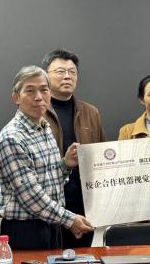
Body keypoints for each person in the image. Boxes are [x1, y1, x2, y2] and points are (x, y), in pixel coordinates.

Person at [0, 65, 94, 250]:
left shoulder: (44, 128)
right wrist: (69, 220)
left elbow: (47, 179)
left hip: (50, 224)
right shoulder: (12, 137)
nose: (39, 97)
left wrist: (65, 165)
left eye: (44, 90)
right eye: (30, 91)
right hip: (25, 229)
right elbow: (30, 195)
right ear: (16, 97)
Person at [41, 48, 105, 248]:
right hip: (49, 207)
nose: (67, 76)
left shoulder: (91, 113)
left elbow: (102, 159)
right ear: (45, 76)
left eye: (72, 72)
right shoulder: (37, 112)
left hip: (84, 205)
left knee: (83, 257)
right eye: (60, 71)